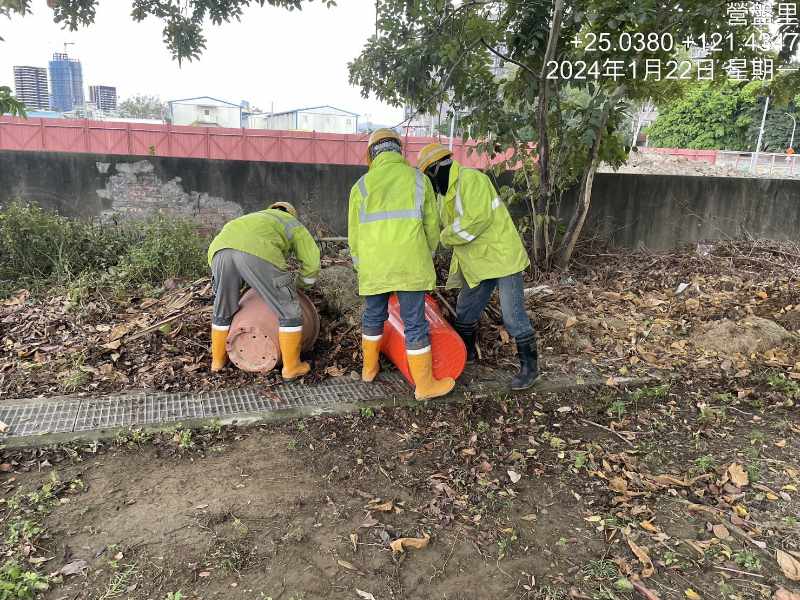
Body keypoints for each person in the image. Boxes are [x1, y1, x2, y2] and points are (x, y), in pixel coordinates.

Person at [416, 143, 540, 390]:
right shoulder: (444, 195)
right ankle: (465, 356)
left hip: (502, 259)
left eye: (428, 174)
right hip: (478, 263)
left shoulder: (471, 180)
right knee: (466, 310)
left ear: (437, 168)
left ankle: (530, 369)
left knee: (512, 317)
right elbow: (444, 226)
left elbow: (474, 222)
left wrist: (444, 237)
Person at [348, 129, 455, 400]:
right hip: (410, 264)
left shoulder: (360, 186)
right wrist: (424, 253)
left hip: (374, 268)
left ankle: (369, 370)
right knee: (414, 323)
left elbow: (354, 236)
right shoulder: (419, 180)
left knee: (373, 317)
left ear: (372, 154)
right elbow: (432, 228)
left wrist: (362, 266)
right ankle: (424, 385)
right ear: (399, 150)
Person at [207, 201, 320, 380]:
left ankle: (218, 362)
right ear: (291, 214)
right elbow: (312, 263)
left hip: (219, 251)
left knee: (223, 310)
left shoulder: (254, 217)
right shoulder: (292, 223)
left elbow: (237, 253)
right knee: (288, 309)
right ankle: (292, 367)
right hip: (258, 252)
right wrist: (301, 284)